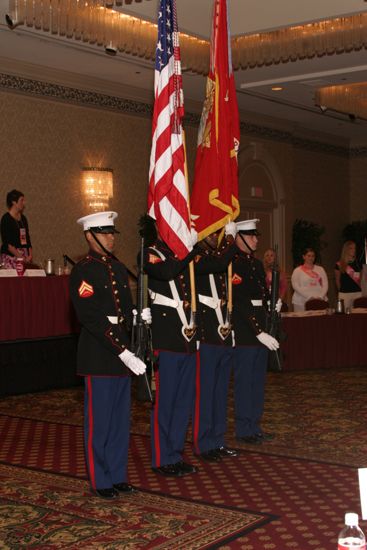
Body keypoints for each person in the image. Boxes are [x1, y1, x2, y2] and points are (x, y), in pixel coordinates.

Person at [69, 211, 147, 499]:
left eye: (112, 233)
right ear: (90, 236)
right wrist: (121, 350)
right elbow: (90, 317)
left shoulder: (117, 268)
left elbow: (124, 310)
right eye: (105, 233)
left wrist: (140, 317)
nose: (111, 237)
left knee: (119, 421)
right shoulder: (83, 271)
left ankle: (117, 474)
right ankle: (100, 478)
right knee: (99, 422)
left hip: (123, 352)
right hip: (100, 354)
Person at [142, 217, 199, 477]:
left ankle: (175, 454)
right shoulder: (150, 252)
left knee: (183, 401)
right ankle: (162, 458)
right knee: (165, 403)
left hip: (186, 338)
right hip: (166, 340)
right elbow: (165, 273)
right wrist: (188, 253)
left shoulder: (180, 255)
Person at [192, 223, 239, 462]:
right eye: (210, 232)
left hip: (222, 334)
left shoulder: (215, 255)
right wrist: (231, 240)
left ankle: (218, 440)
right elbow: (220, 264)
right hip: (206, 335)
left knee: (220, 392)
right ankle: (203, 443)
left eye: (217, 232)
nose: (214, 236)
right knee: (205, 393)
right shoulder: (196, 257)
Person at [231, 219, 280, 445]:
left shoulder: (257, 264)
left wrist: (273, 305)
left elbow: (260, 296)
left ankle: (254, 425)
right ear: (239, 238)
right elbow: (240, 302)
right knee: (245, 383)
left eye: (256, 236)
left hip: (261, 331)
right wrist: (257, 330)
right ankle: (244, 429)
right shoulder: (234, 264)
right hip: (245, 332)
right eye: (251, 236)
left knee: (258, 382)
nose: (256, 240)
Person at [0, 189, 32, 269]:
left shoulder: (23, 219)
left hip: (24, 257)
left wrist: (30, 255)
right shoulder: (6, 219)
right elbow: (7, 244)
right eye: (22, 200)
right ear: (14, 202)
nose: (24, 203)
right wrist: (21, 257)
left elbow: (27, 239)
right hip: (11, 257)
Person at [335, 241, 362, 309]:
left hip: (357, 293)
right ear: (346, 250)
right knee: (344, 317)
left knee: (358, 315)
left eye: (354, 248)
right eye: (351, 248)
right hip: (344, 294)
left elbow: (361, 279)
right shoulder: (339, 264)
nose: (353, 250)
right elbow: (337, 281)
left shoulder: (358, 263)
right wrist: (341, 291)